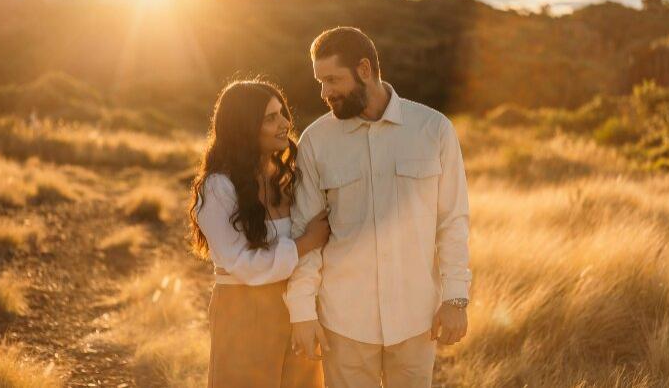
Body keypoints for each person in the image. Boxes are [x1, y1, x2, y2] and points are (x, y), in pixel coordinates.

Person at [284, 27, 472, 388]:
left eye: (332, 80)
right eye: (319, 82)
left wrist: (456, 299)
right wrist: (302, 312)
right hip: (344, 322)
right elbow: (304, 233)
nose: (324, 92)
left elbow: (452, 222)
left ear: (365, 69)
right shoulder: (316, 142)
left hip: (416, 319)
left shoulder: (433, 130)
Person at [188, 79, 329, 388]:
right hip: (243, 309)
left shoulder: (287, 179)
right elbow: (241, 263)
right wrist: (305, 244)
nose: (285, 124)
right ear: (243, 127)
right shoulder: (218, 187)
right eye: (270, 118)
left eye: (282, 113)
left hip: (296, 305)